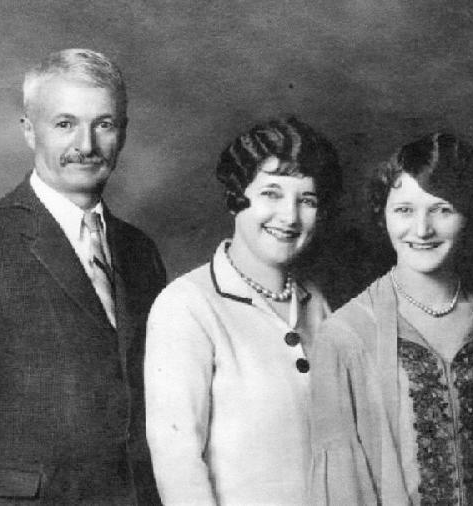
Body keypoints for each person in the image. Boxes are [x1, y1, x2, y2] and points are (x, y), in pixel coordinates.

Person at [0, 48, 167, 505]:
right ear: (29, 130)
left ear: (122, 131)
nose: (86, 145)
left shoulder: (140, 253)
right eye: (65, 124)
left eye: (103, 124)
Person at [310, 132, 473, 505]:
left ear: (468, 215)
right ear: (383, 214)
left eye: (442, 209)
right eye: (404, 210)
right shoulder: (345, 336)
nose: (422, 229)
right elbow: (341, 487)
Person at [145, 116, 343, 505]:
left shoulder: (316, 303)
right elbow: (178, 465)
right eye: (271, 193)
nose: (290, 216)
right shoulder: (187, 305)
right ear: (238, 196)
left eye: (306, 200)